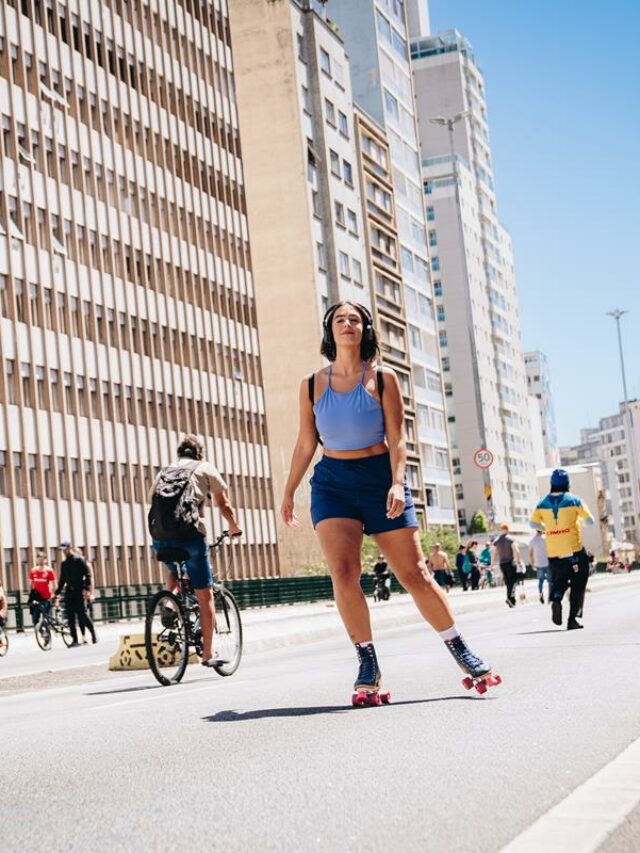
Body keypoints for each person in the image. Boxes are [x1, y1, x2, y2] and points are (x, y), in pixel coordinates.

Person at [280, 301, 498, 703]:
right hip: (332, 484)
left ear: (365, 329)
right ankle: (367, 661)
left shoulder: (382, 378)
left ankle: (460, 648)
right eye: (340, 319)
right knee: (343, 573)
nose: (348, 324)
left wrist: (398, 483)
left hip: (380, 478)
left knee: (414, 573)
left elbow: (397, 438)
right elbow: (306, 442)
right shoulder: (311, 384)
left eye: (355, 319)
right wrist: (290, 490)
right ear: (330, 330)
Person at [148, 434, 242, 666]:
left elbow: (153, 501)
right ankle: (209, 654)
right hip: (190, 536)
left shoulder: (165, 471)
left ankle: (170, 601)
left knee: (172, 567)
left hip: (160, 538)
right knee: (205, 596)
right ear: (199, 454)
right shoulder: (205, 468)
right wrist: (234, 527)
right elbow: (224, 504)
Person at [530, 468, 594, 630]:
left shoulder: (542, 503)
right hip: (574, 551)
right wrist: (577, 523)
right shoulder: (575, 501)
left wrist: (546, 529)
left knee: (559, 581)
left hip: (554, 553)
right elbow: (590, 521)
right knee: (579, 583)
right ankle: (572, 620)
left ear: (552, 484)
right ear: (568, 484)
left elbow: (532, 524)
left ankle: (557, 597)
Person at [55, 543, 98, 646]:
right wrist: (57, 592)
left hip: (79, 591)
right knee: (70, 617)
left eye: (65, 549)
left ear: (70, 548)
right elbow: (62, 579)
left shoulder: (79, 560)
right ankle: (74, 640)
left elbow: (87, 575)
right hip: (69, 592)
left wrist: (87, 589)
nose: (64, 552)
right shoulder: (64, 563)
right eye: (62, 550)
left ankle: (93, 633)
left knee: (82, 615)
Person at [492, 523, 523, 607]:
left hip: (502, 564)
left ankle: (510, 599)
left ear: (501, 530)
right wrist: (518, 562)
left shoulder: (497, 541)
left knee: (507, 582)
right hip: (510, 563)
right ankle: (511, 599)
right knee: (513, 582)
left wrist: (491, 565)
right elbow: (517, 551)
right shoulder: (510, 539)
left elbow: (493, 553)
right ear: (508, 530)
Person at [28, 552, 56, 626]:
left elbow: (53, 583)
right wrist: (30, 596)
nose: (41, 561)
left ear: (45, 560)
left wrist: (54, 594)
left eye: (42, 559)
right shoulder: (33, 570)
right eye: (39, 559)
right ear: (37, 560)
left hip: (46, 597)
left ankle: (47, 632)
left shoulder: (49, 571)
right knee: (35, 618)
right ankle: (39, 632)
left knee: (46, 617)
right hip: (36, 597)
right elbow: (31, 584)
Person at [528, 530, 550, 604]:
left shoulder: (532, 541)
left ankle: (540, 594)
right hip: (547, 562)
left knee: (540, 581)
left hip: (538, 564)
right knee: (550, 581)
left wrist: (532, 564)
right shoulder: (545, 539)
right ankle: (550, 597)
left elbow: (530, 554)